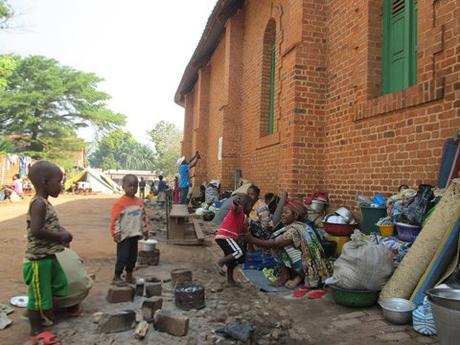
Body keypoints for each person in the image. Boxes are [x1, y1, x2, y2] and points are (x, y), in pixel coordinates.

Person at [22, 160, 73, 344]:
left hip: (48, 257)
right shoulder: (38, 204)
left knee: (59, 285)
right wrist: (60, 236)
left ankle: (45, 312)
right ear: (44, 182)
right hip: (38, 260)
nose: (61, 185)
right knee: (36, 296)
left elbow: (50, 224)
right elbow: (36, 230)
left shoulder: (45, 203)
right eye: (58, 181)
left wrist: (63, 234)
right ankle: (36, 331)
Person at [241, 199, 333, 289]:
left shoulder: (294, 230)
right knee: (280, 247)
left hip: (309, 265)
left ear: (295, 215)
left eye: (286, 213)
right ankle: (293, 275)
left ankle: (295, 276)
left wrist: (251, 240)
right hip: (313, 263)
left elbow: (274, 243)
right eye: (282, 212)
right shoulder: (302, 225)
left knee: (278, 247)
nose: (282, 215)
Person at [110, 174, 148, 284]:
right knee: (123, 256)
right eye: (130, 186)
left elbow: (143, 217)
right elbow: (115, 219)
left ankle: (129, 275)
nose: (133, 188)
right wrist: (115, 233)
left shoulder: (139, 202)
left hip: (135, 234)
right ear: (123, 187)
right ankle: (117, 276)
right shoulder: (120, 203)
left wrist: (145, 230)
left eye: (135, 186)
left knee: (132, 257)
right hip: (123, 235)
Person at [215, 193, 252, 286]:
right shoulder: (237, 211)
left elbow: (239, 229)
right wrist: (236, 203)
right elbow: (235, 207)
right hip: (226, 236)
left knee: (236, 258)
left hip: (228, 238)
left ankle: (229, 278)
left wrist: (242, 234)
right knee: (239, 252)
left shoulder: (242, 216)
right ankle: (221, 262)